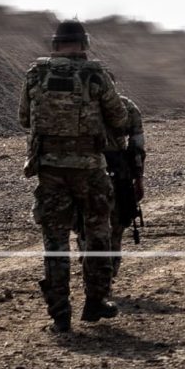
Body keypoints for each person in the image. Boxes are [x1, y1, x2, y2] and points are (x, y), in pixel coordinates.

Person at [19, 19, 134, 330]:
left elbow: (24, 120)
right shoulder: (95, 74)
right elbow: (120, 120)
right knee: (97, 234)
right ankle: (96, 302)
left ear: (55, 45)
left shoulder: (36, 74)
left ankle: (59, 312)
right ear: (84, 45)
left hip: (50, 171)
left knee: (54, 243)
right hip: (90, 171)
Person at [106, 94, 148, 248]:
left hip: (87, 169)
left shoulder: (81, 104)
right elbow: (137, 147)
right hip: (117, 172)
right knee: (117, 223)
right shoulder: (126, 105)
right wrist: (138, 178)